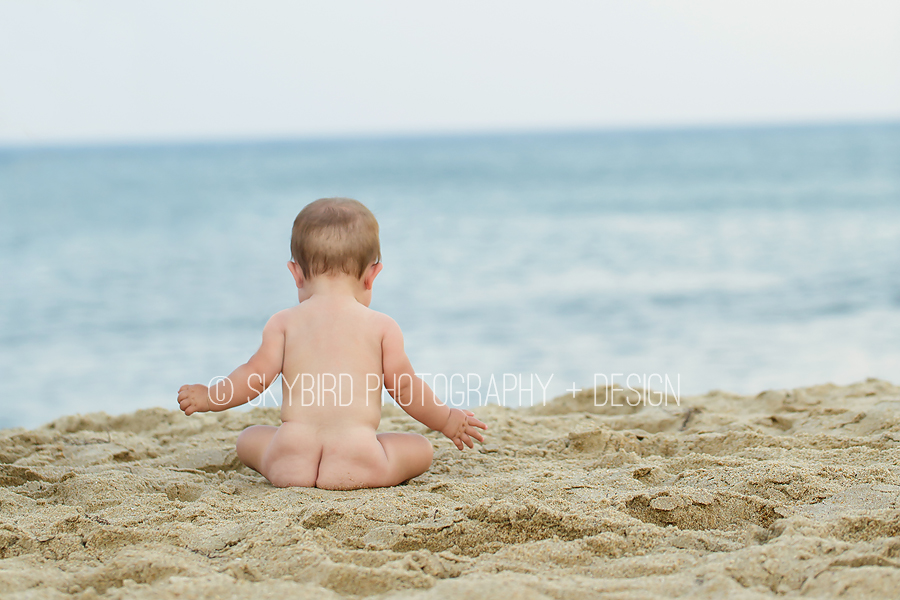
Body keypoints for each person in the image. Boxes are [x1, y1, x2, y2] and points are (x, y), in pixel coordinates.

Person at [176, 197, 487, 489]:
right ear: (371, 276)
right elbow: (406, 389)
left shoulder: (283, 323)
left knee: (248, 438)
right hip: (358, 458)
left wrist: (209, 397)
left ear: (296, 274)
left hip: (290, 456)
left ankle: (296, 463)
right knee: (421, 448)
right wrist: (446, 419)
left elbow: (253, 377)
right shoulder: (382, 327)